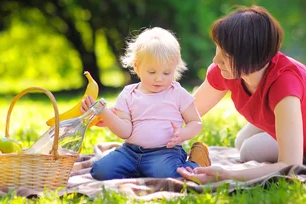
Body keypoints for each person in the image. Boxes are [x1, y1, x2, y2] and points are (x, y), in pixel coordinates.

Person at [177, 6, 306, 184]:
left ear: (251, 58)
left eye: (226, 54)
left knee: (249, 150)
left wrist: (227, 174)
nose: (216, 59)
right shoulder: (226, 71)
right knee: (241, 140)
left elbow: (290, 166)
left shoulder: (284, 87)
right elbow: (187, 113)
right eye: (218, 49)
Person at [81, 27, 210, 180]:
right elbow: (125, 131)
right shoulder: (128, 94)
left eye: (166, 73)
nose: (159, 79)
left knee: (168, 175)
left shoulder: (177, 93)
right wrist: (103, 112)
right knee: (100, 171)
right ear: (137, 66)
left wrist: (184, 133)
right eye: (152, 72)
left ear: (174, 68)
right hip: (130, 152)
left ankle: (197, 163)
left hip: (164, 152)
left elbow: (195, 121)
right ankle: (140, 170)